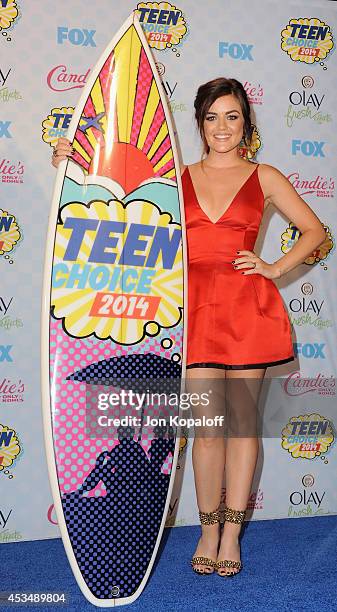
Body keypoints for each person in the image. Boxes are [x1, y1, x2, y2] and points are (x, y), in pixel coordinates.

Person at [51, 77, 325, 578]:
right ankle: (205, 529)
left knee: (241, 428)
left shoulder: (264, 176)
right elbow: (117, 200)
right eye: (212, 117)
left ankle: (231, 536)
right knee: (207, 430)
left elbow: (316, 231)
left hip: (246, 308)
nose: (222, 127)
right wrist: (75, 163)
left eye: (233, 116)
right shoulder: (176, 178)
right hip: (193, 309)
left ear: (247, 122)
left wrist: (273, 268)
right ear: (199, 123)